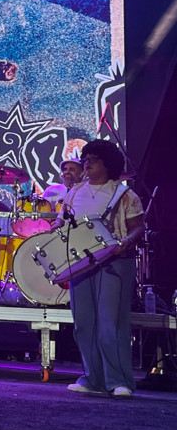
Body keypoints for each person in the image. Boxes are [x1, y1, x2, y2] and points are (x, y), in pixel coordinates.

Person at [54, 139, 144, 397]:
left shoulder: (123, 194)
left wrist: (126, 242)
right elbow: (62, 222)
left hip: (114, 261)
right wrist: (55, 228)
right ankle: (93, 379)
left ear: (108, 163)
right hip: (80, 263)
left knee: (110, 322)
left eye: (94, 158)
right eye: (86, 158)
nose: (87, 162)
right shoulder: (74, 192)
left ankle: (119, 381)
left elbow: (139, 227)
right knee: (84, 323)